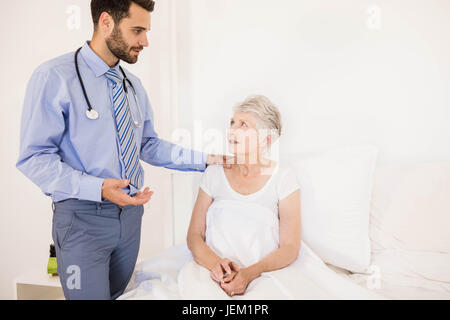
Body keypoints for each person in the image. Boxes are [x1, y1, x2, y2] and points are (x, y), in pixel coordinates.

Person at [16, 0, 227, 300]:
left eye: (147, 31)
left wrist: (206, 160)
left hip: (129, 220)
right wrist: (99, 188)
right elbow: (34, 159)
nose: (145, 41)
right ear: (106, 22)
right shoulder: (55, 77)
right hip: (82, 220)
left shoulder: (133, 85)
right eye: (137, 30)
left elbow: (148, 145)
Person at [185, 95, 302, 298]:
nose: (232, 130)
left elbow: (290, 247)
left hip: (263, 275)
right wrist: (216, 266)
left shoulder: (283, 176)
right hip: (210, 272)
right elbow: (194, 236)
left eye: (243, 125)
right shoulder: (214, 172)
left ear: (265, 139)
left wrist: (249, 273)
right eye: (232, 123)